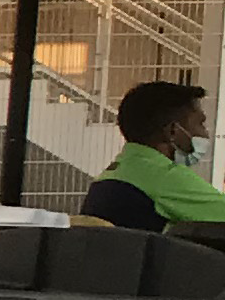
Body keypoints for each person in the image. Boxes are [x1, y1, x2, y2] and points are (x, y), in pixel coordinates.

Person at [79, 79, 225, 231]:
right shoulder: (164, 177)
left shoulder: (118, 170)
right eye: (200, 124)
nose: (205, 134)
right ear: (173, 131)